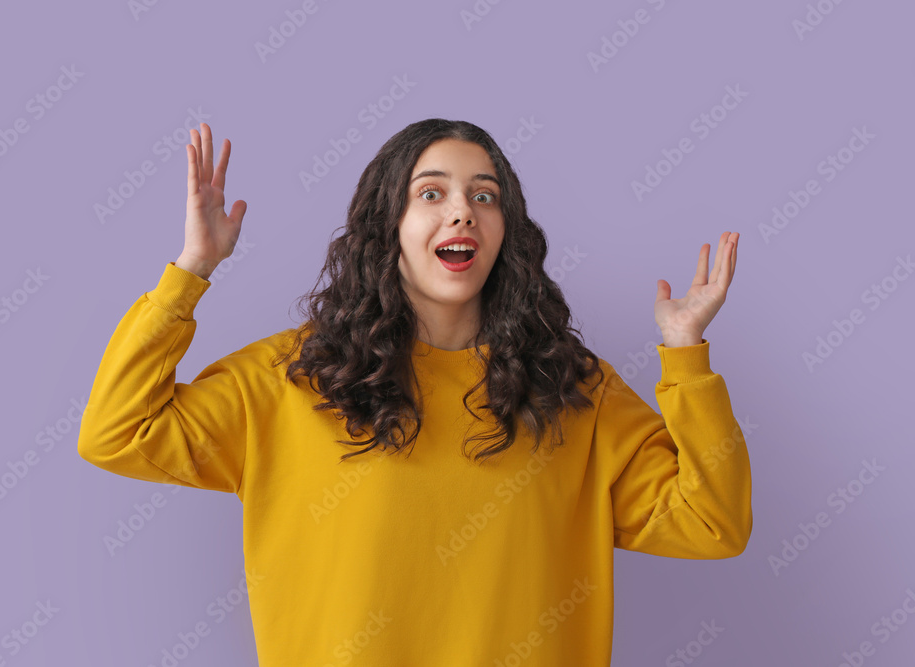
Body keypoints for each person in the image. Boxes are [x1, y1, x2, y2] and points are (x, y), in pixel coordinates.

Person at [78, 119, 751, 666]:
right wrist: (191, 271)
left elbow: (712, 522)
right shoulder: (291, 377)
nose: (462, 210)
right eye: (431, 193)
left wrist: (686, 353)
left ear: (506, 231)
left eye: (484, 196)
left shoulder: (572, 391)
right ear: (388, 224)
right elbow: (117, 430)